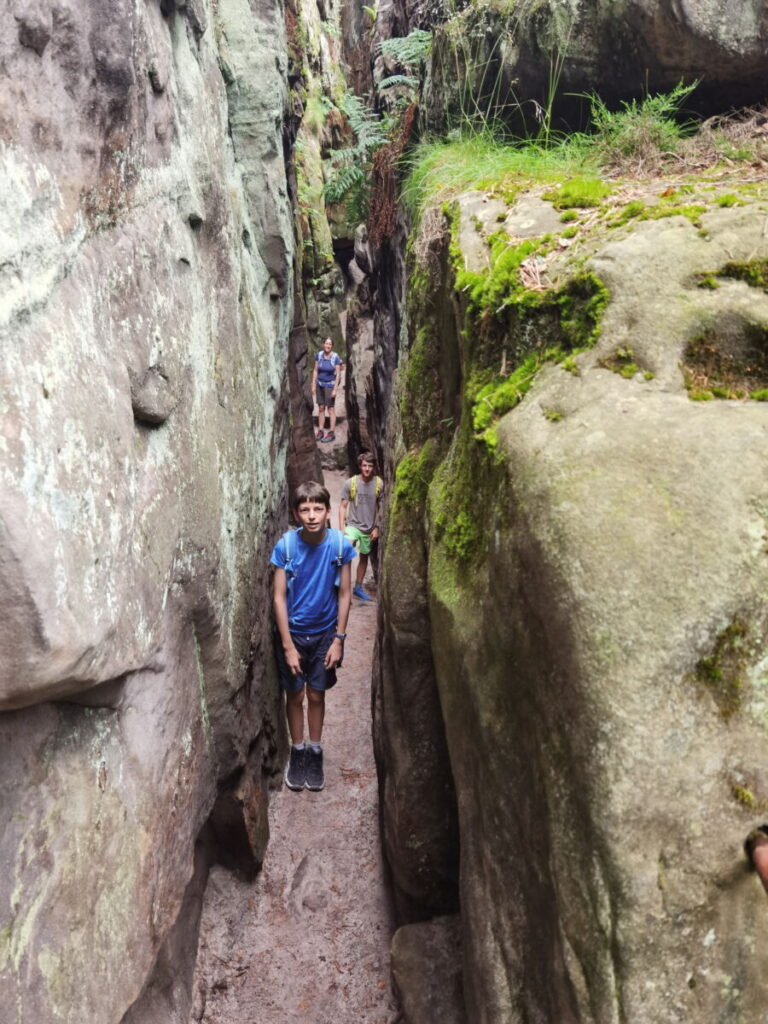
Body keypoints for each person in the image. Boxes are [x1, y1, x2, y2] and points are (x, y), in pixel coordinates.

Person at [271, 481, 356, 791]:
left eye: (317, 508)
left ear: (328, 511)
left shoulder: (339, 546)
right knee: (294, 695)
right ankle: (298, 750)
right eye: (305, 509)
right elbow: (279, 598)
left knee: (316, 694)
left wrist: (339, 639)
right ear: (296, 513)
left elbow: (345, 594)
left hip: (324, 634)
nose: (311, 515)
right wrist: (287, 646)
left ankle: (315, 751)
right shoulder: (286, 547)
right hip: (293, 634)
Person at [339, 452, 383, 602]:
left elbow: (381, 507)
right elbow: (343, 506)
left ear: (373, 467)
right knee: (347, 550)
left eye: (370, 466)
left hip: (369, 528)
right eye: (364, 465)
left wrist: (377, 527)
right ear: (360, 466)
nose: (367, 469)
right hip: (352, 525)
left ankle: (357, 588)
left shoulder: (379, 484)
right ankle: (342, 588)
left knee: (364, 556)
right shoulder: (351, 483)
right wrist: (341, 529)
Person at [311, 337, 343, 443]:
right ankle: (320, 430)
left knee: (330, 409)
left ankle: (331, 432)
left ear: (332, 346)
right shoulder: (319, 355)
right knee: (320, 408)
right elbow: (316, 370)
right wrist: (313, 384)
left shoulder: (335, 357)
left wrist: (335, 389)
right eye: (326, 343)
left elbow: (338, 374)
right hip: (320, 384)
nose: (328, 346)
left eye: (330, 344)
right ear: (323, 344)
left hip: (329, 385)